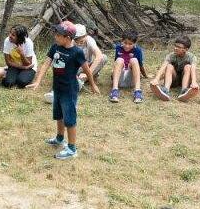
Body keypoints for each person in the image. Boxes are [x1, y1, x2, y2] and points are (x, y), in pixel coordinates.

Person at [26, 21, 99, 160]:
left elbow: (86, 69)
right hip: (57, 88)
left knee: (69, 119)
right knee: (58, 115)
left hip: (69, 91)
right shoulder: (55, 47)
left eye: (59, 35)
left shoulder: (77, 52)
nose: (55, 37)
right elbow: (47, 63)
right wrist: (38, 81)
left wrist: (93, 84)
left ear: (68, 38)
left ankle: (72, 149)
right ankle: (60, 138)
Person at [43, 24, 106, 104]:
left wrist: (87, 73)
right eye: (76, 40)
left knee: (104, 57)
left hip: (86, 67)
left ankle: (79, 81)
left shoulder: (89, 40)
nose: (79, 43)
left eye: (81, 40)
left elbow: (99, 56)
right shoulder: (69, 41)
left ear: (86, 36)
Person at [150, 35, 199, 102]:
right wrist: (156, 79)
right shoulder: (171, 56)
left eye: (179, 47)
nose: (175, 48)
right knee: (169, 66)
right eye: (175, 46)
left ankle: (184, 91)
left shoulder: (191, 57)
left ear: (186, 49)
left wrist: (194, 82)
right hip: (174, 80)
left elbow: (193, 69)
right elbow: (163, 67)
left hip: (185, 80)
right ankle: (165, 90)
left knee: (188, 67)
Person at [108, 31, 146, 103]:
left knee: (134, 60)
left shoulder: (137, 50)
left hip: (131, 80)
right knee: (119, 60)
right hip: (120, 79)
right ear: (121, 41)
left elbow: (140, 65)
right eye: (125, 43)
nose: (127, 46)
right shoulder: (118, 48)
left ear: (135, 43)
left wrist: (145, 75)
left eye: (130, 44)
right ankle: (114, 90)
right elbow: (116, 62)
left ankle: (137, 91)